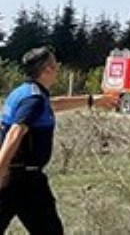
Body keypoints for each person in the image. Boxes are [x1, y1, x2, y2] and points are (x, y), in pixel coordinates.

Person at [0, 47, 63, 235]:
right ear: (47, 70)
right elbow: (16, 132)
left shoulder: (24, 92)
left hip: (15, 176)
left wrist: (91, 100)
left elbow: (53, 105)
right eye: (56, 65)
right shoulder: (34, 99)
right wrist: (1, 170)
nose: (58, 69)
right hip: (23, 180)